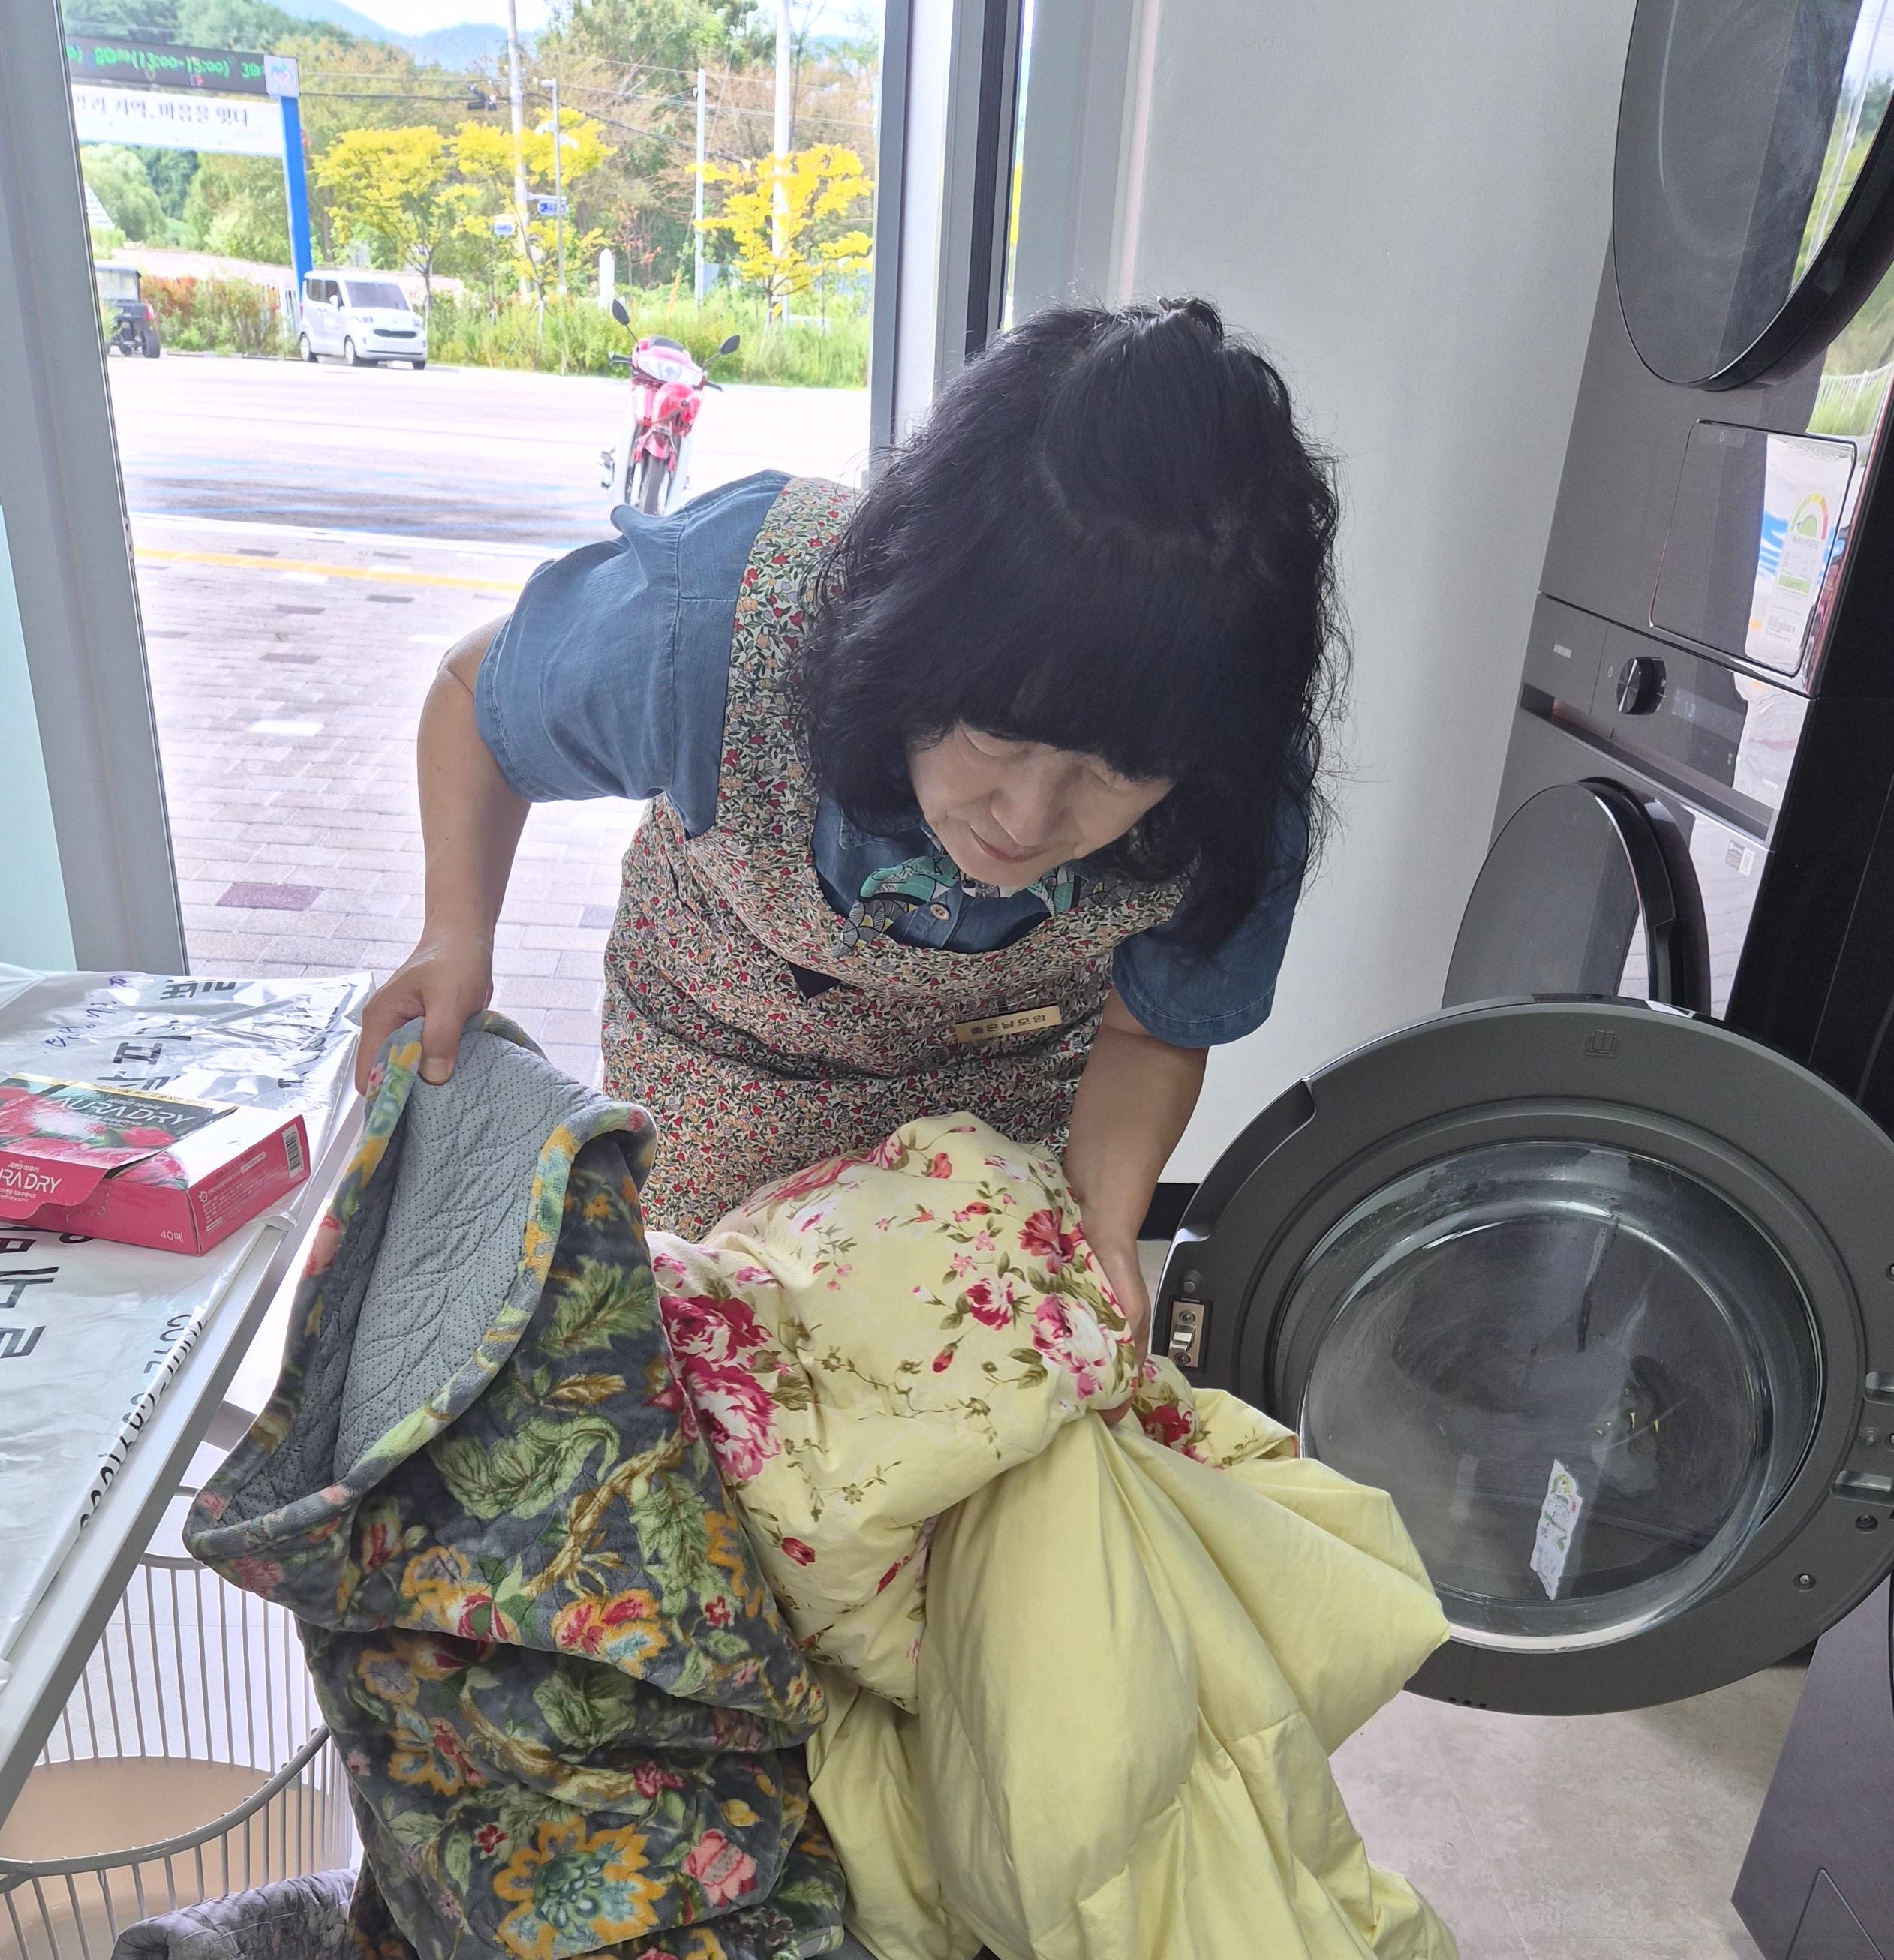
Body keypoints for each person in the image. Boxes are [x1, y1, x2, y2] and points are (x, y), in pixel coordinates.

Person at [356, 296, 1339, 1331]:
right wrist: (454, 932)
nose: (1028, 819)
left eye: (1120, 770)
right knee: (709, 1348)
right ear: (907, 635)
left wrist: (1098, 1223)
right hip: (728, 1056)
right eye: (995, 734)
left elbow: (1146, 1034)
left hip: (1003, 1089)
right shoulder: (727, 624)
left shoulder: (1232, 762)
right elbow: (476, 699)